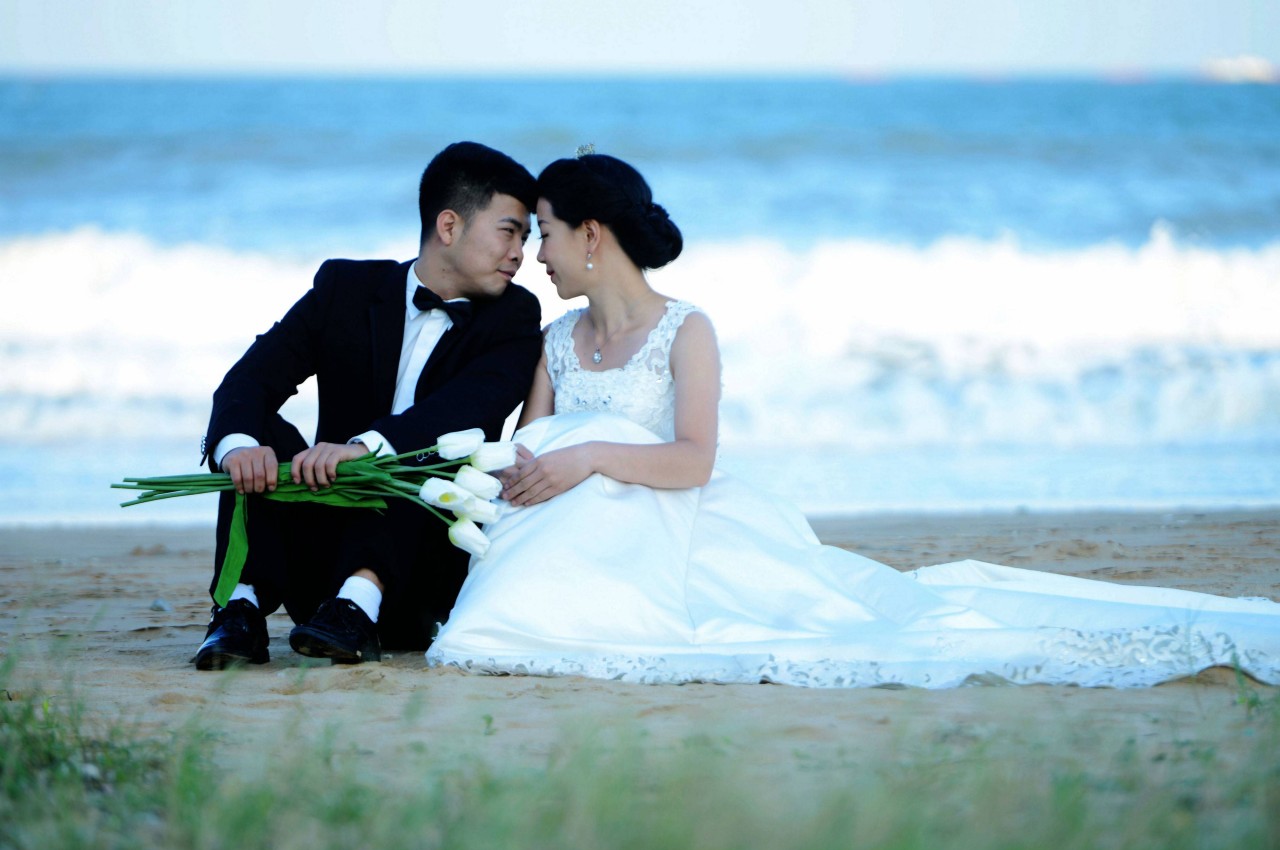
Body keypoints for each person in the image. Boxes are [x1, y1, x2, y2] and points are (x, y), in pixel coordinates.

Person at [425, 152, 1280, 689]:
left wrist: (592, 460)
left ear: (592, 235)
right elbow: (527, 449)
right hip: (575, 535)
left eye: (544, 232)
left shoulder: (688, 330)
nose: (535, 252)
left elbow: (692, 460)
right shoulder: (557, 338)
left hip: (672, 523)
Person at [194, 141, 543, 670]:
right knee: (256, 434)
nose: (520, 252)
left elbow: (467, 407)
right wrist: (238, 447)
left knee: (425, 453)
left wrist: (367, 448)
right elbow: (253, 375)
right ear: (448, 227)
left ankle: (360, 603)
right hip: (319, 559)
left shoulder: (514, 318)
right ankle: (240, 608)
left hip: (418, 577)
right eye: (509, 231)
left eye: (525, 236)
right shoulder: (346, 289)